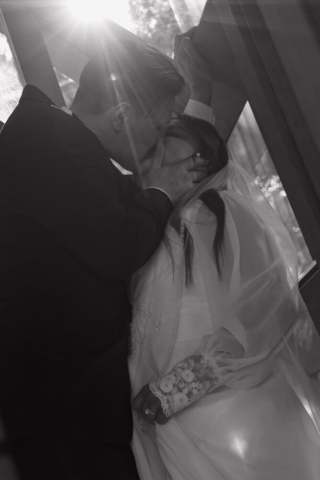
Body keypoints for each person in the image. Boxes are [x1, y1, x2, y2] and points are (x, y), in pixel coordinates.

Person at [0, 21, 210, 480]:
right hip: (62, 411)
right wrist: (159, 189)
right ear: (120, 116)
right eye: (155, 129)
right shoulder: (48, 139)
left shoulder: (70, 145)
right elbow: (119, 245)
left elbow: (117, 212)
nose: (156, 143)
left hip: (80, 408)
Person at [129, 113, 320, 479]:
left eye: (172, 134)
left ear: (202, 157)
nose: (160, 139)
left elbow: (268, 299)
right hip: (169, 418)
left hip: (232, 403)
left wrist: (184, 383)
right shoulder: (157, 222)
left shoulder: (218, 208)